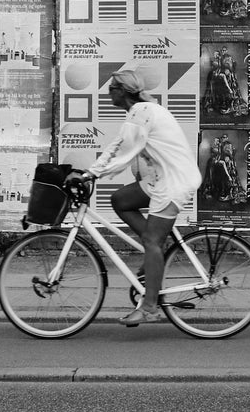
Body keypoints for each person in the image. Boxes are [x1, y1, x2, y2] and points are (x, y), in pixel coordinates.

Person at [85, 69, 201, 327]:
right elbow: (116, 144)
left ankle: (149, 308)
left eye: (111, 88)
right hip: (161, 178)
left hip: (173, 181)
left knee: (152, 240)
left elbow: (125, 154)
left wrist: (92, 176)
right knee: (121, 200)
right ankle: (153, 252)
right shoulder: (139, 112)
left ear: (123, 91)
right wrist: (89, 173)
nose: (108, 92)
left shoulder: (143, 112)